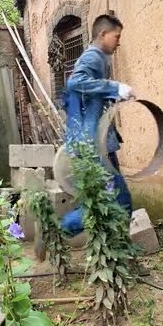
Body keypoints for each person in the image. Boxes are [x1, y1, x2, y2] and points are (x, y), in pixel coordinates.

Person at [60, 14, 135, 235]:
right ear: (103, 35)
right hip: (93, 143)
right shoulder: (93, 57)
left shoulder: (99, 57)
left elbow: (88, 95)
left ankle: (115, 251)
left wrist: (113, 96)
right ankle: (59, 228)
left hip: (95, 141)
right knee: (116, 200)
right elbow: (75, 83)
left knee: (109, 198)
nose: (118, 42)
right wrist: (114, 87)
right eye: (116, 36)